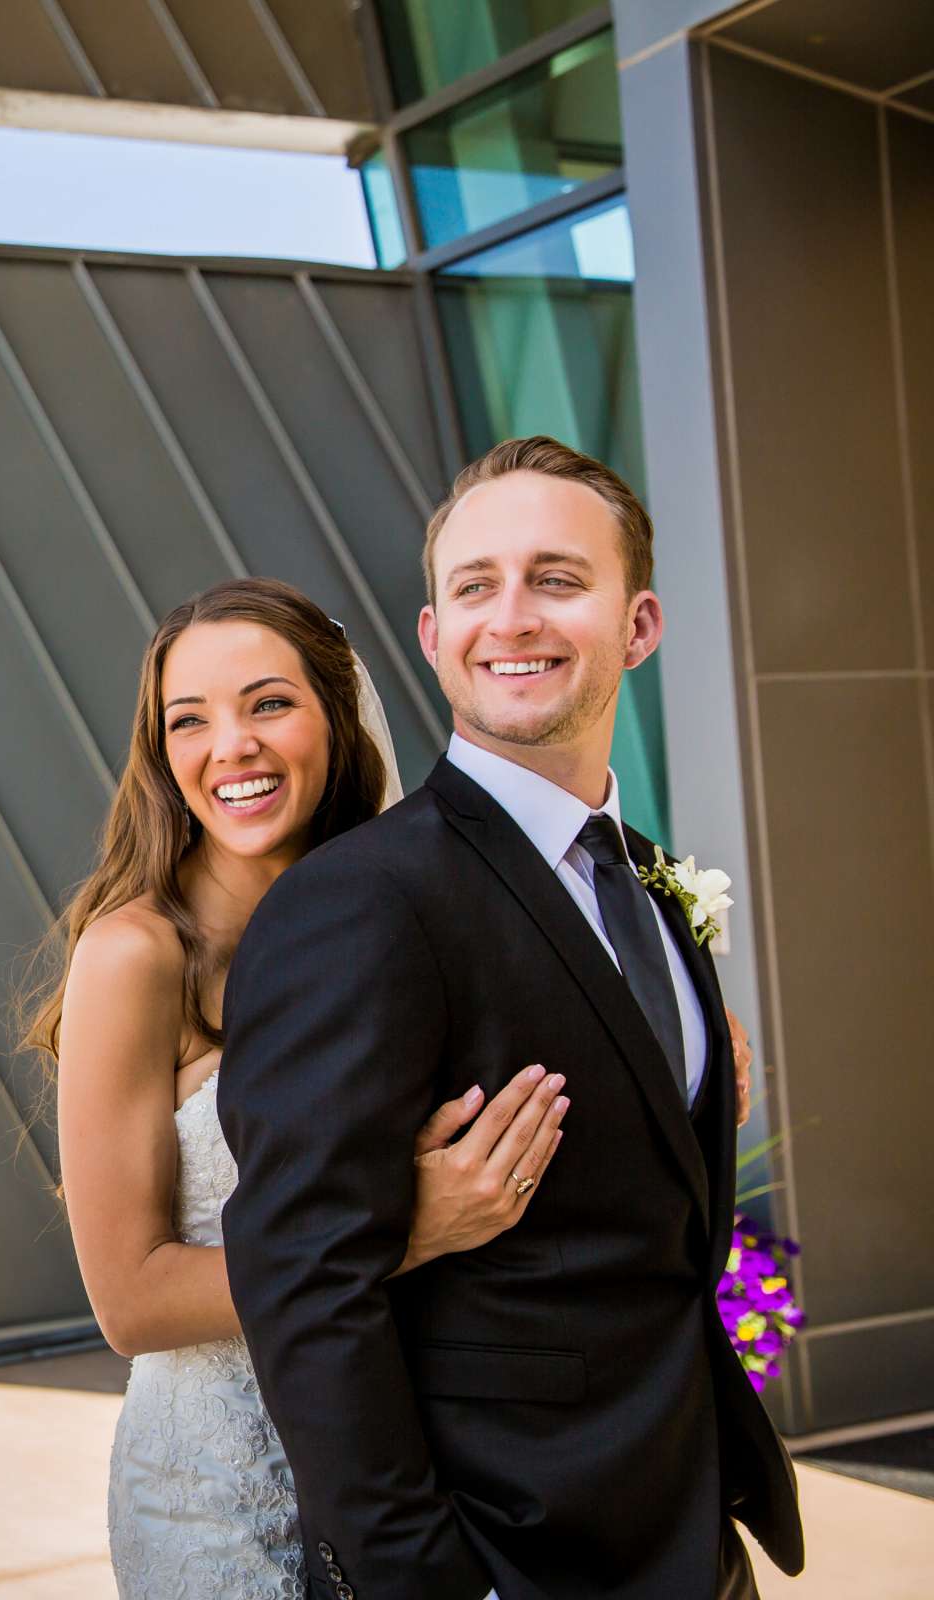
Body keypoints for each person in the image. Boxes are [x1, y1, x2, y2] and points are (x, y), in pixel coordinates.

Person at [217, 436, 802, 1599]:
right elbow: (303, 1283)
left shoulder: (646, 877)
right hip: (505, 1558)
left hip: (688, 1533)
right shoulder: (360, 900)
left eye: (557, 579)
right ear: (434, 636)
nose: (512, 616)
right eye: (476, 586)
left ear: (638, 625)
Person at [30, 576, 588, 1598]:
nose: (229, 745)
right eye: (187, 720)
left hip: (414, 1475)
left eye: (268, 703)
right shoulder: (135, 955)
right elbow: (131, 1301)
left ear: (337, 718)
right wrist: (404, 1227)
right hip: (223, 1499)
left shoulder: (403, 916)